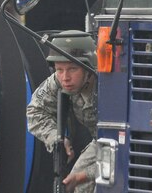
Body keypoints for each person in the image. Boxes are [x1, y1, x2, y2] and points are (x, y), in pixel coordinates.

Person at [26, 30, 98, 193]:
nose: (65, 77)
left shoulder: (110, 82)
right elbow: (35, 111)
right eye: (59, 69)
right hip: (100, 142)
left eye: (73, 69)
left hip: (125, 144)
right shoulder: (59, 80)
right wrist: (56, 138)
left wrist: (84, 175)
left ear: (88, 68)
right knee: (75, 186)